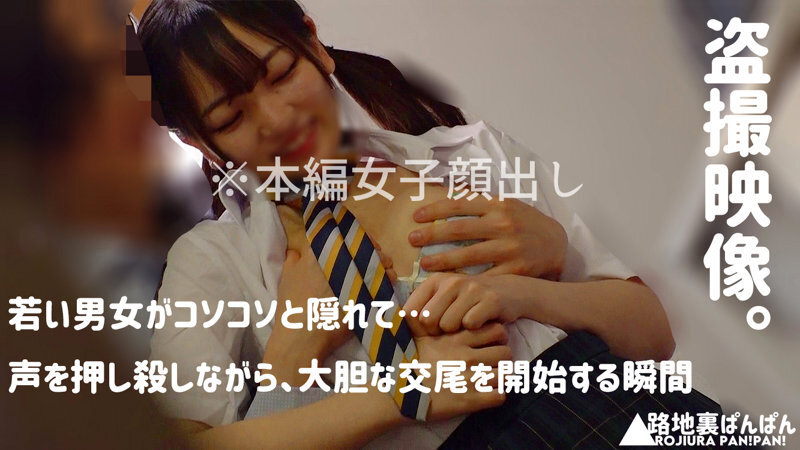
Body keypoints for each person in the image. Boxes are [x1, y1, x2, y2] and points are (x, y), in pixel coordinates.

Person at [138, 0, 681, 447]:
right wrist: (388, 392)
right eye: (231, 116)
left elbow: (655, 334)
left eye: (282, 74)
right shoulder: (212, 262)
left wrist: (529, 290)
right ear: (196, 140)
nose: (278, 120)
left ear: (314, 43)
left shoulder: (467, 150)